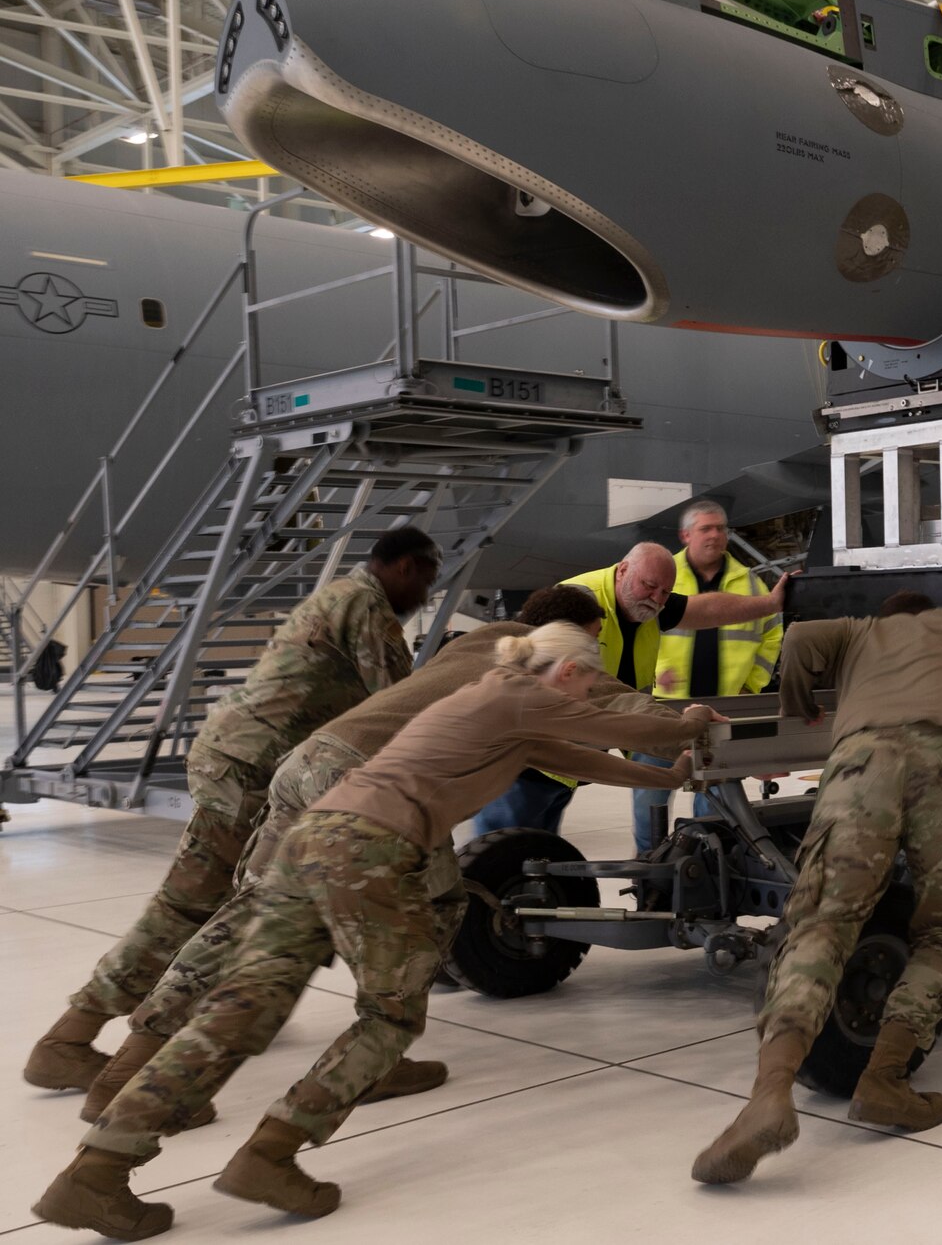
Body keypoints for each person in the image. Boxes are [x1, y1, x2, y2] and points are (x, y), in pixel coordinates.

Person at [33, 622, 710, 1238]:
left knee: (240, 1009)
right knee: (389, 1017)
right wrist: (691, 726)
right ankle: (270, 1154)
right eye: (589, 677)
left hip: (317, 835)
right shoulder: (515, 690)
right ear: (567, 671)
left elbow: (583, 756)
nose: (590, 688)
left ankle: (94, 1174)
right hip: (371, 847)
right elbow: (606, 723)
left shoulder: (493, 698)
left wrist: (669, 773)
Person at [23, 528, 439, 1096]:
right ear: (407, 567)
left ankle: (91, 1035)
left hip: (238, 758)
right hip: (251, 767)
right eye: (428, 579)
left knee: (204, 903)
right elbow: (397, 703)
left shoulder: (341, 595)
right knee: (211, 906)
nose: (426, 594)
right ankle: (79, 1044)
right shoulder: (368, 606)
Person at [691, 567, 942, 1185]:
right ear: (926, 613)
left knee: (821, 926)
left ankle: (769, 1096)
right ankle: (885, 1079)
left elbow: (801, 639)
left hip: (862, 763)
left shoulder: (858, 632)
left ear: (885, 615)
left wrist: (796, 706)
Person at [472, 541, 782, 836]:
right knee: (499, 857)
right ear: (622, 571)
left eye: (665, 592)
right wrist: (697, 737)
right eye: (649, 586)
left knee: (534, 859)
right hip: (523, 762)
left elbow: (706, 609)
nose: (657, 599)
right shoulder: (579, 604)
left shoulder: (649, 605)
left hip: (562, 762)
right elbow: (593, 692)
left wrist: (770, 603)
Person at [633, 500, 784, 852]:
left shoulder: (749, 582)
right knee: (649, 800)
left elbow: (772, 635)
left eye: (721, 528)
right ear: (686, 535)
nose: (715, 535)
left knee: (716, 810)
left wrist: (751, 685)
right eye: (706, 528)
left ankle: (706, 871)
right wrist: (652, 676)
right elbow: (635, 627)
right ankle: (649, 869)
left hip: (720, 714)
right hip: (665, 711)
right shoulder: (664, 577)